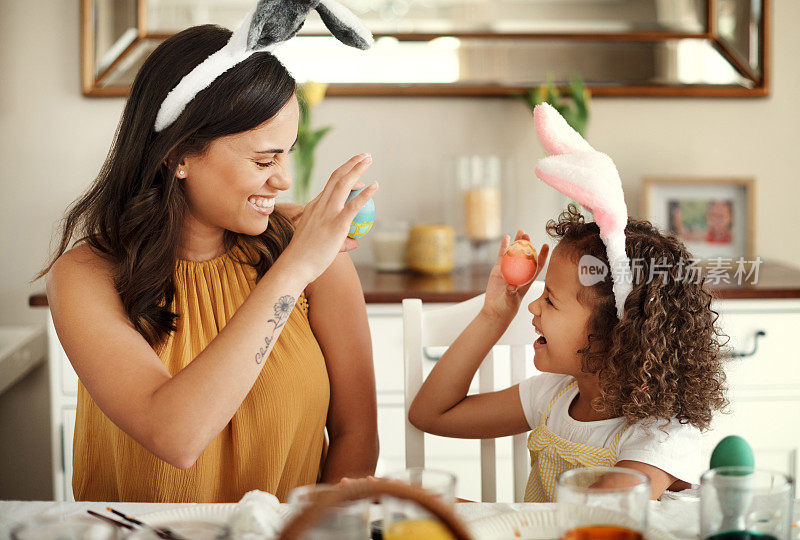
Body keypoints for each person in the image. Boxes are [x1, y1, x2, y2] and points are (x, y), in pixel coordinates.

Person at [38, 24, 379, 502]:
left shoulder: (310, 249)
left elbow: (355, 434)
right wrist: (293, 270)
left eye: (288, 155)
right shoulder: (87, 276)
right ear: (178, 155)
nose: (283, 180)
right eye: (264, 162)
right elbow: (175, 437)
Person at [408, 205, 728, 501]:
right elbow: (430, 414)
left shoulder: (660, 435)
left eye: (549, 299)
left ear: (614, 333)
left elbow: (586, 521)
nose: (532, 305)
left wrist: (445, 506)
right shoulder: (553, 395)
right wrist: (493, 316)